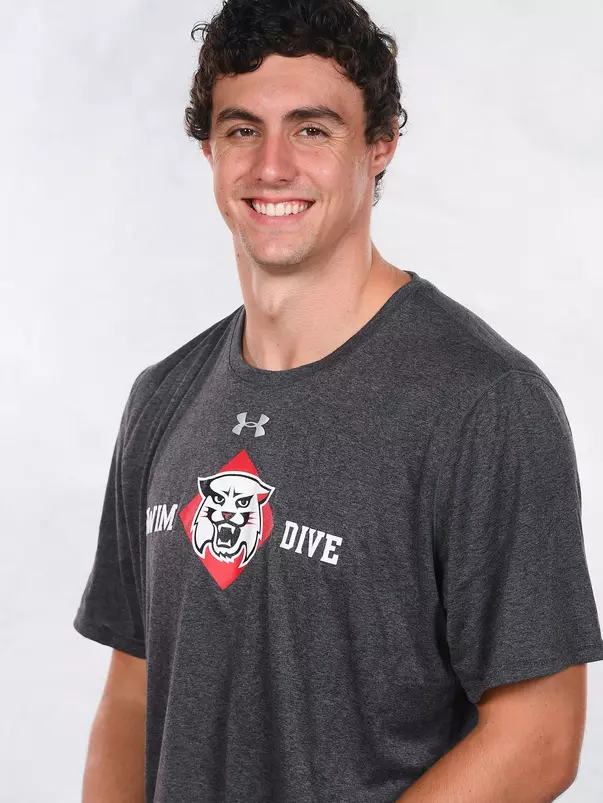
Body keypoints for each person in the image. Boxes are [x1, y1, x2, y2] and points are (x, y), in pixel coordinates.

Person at [73, 1, 603, 801]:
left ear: (379, 146)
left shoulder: (483, 403)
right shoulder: (162, 399)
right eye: (242, 129)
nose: (272, 166)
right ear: (210, 149)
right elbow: (131, 693)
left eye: (313, 130)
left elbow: (540, 733)